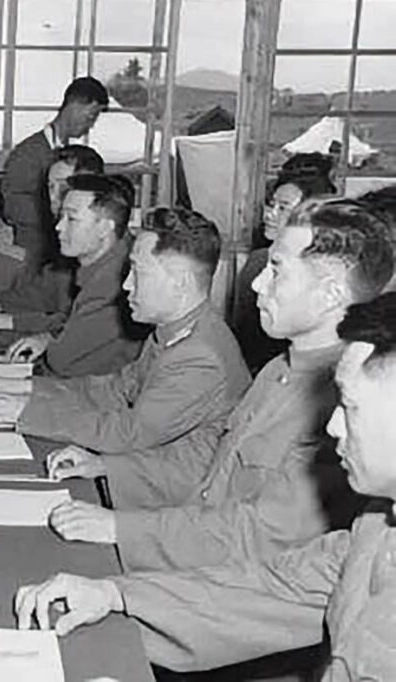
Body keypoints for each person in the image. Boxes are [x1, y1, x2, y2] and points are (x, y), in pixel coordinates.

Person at [13, 292, 396, 681]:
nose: (332, 426)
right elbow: (278, 587)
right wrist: (117, 595)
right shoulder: (377, 525)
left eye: (350, 405)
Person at [43, 199, 393, 573]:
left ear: (331, 294)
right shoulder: (279, 369)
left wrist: (122, 529)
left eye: (276, 271)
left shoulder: (347, 400)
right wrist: (107, 467)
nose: (257, 284)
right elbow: (210, 467)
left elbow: (257, 537)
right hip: (191, 550)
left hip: (228, 583)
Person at [0, 207, 250, 457]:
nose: (126, 285)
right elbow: (114, 389)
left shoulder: (199, 355)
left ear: (180, 283)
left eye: (138, 273)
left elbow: (130, 433)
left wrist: (28, 411)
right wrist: (29, 388)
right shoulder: (173, 331)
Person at [0, 174, 146, 378]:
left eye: (72, 218)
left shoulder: (112, 283)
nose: (59, 226)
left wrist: (52, 343)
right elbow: (78, 325)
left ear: (104, 228)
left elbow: (61, 363)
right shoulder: (108, 264)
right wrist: (49, 338)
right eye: (61, 217)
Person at [0, 145, 105, 331]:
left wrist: (8, 322)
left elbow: (84, 326)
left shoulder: (113, 257)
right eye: (50, 187)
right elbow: (42, 292)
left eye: (64, 187)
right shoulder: (69, 246)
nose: (54, 198)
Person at [232, 172, 336, 371]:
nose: (269, 215)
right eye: (271, 205)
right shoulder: (257, 261)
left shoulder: (317, 273)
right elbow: (243, 330)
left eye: (283, 208)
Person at [3, 77, 109, 270]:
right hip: (33, 256)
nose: (91, 125)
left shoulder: (67, 153)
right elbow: (10, 205)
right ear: (74, 105)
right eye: (91, 116)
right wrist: (59, 214)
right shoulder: (27, 153)